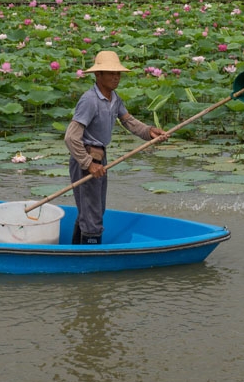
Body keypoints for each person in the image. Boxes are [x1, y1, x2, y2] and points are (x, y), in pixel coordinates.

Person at [64, 51, 168, 244]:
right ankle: (90, 255)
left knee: (94, 209)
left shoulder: (114, 98)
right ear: (98, 74)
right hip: (85, 158)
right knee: (92, 213)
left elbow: (129, 121)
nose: (116, 77)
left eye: (118, 73)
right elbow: (71, 137)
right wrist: (88, 164)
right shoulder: (90, 100)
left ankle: (77, 250)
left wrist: (149, 132)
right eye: (111, 73)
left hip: (100, 157)